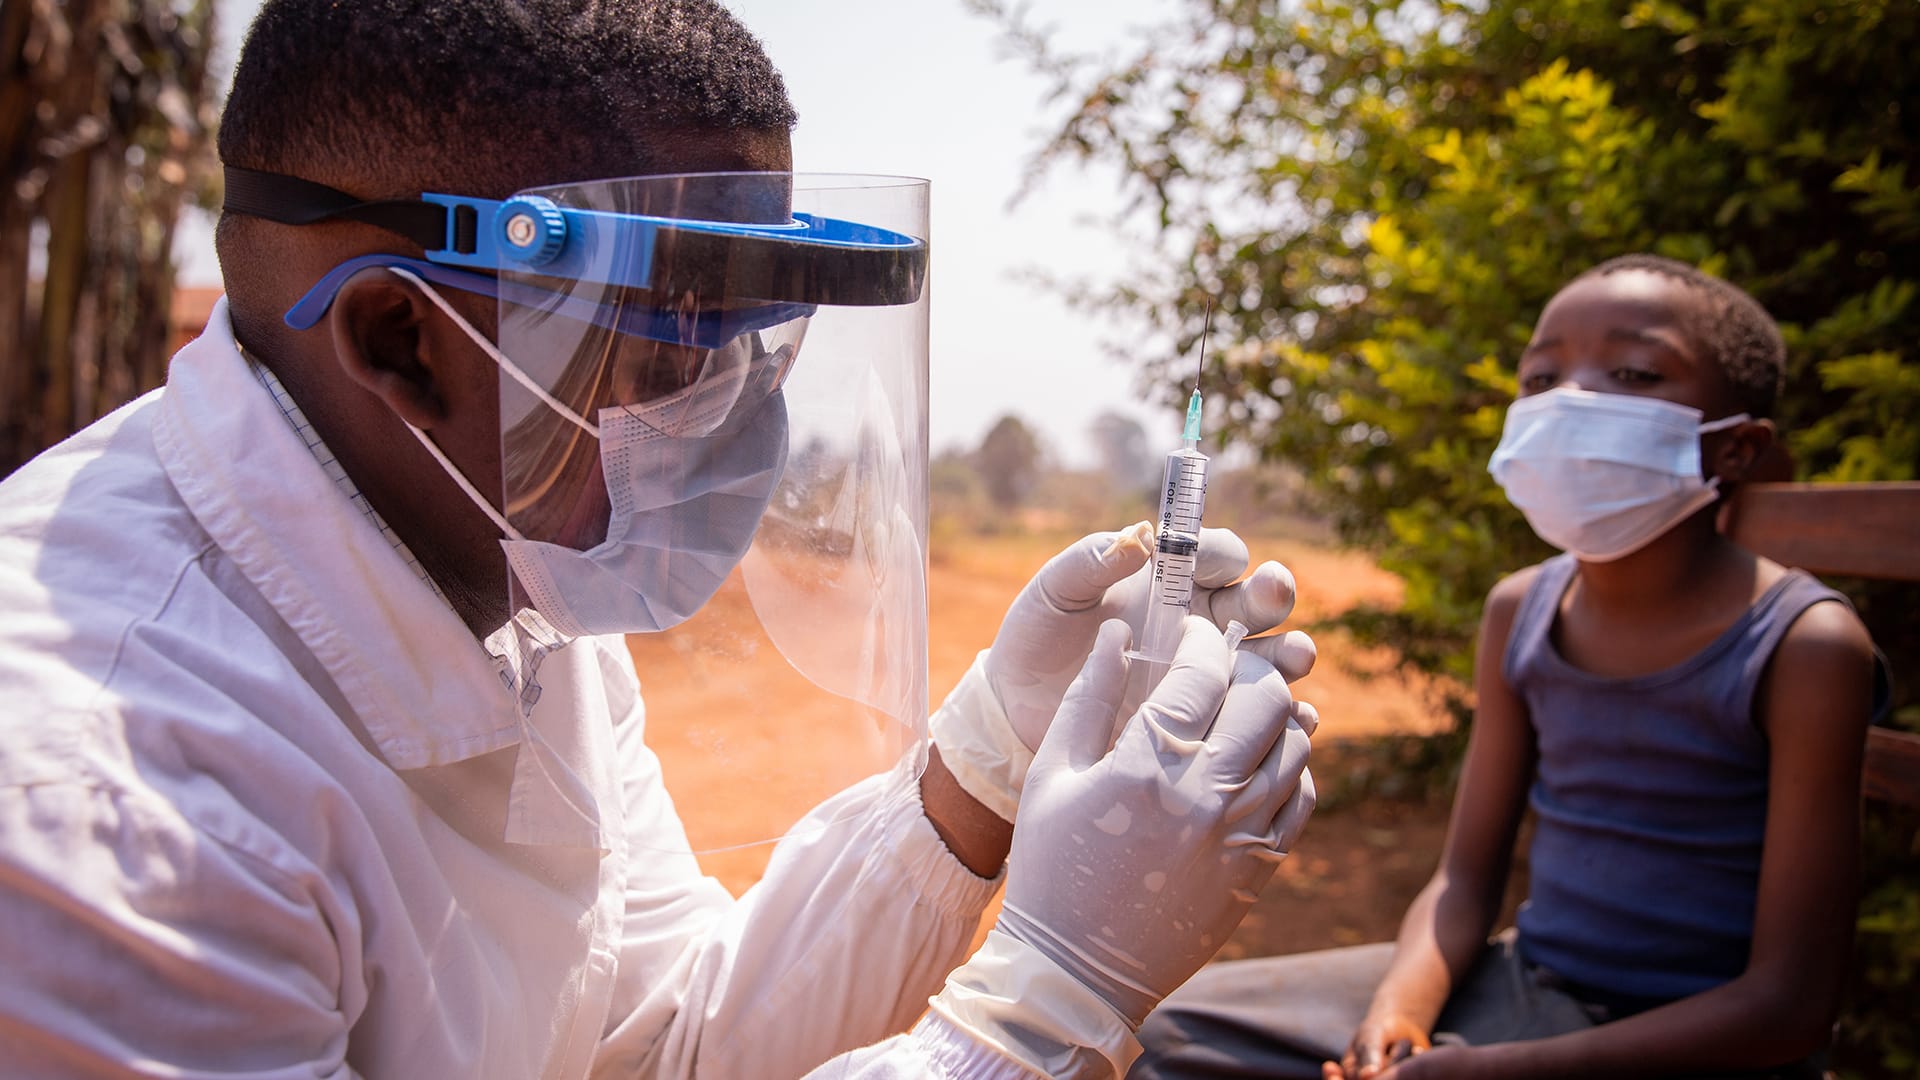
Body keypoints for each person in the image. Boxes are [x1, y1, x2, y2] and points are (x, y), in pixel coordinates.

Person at [0, 1, 1323, 1077]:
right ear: (404, 343)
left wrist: (985, 766)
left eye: (756, 346)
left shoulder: (508, 574)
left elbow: (664, 1042)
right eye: (670, 345)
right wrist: (1037, 1007)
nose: (736, 414)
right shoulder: (109, 806)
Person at [1130, 254, 1886, 1080]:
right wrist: (1398, 1015)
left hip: (1701, 1044)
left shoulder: (1805, 646)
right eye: (1541, 377)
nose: (1568, 400)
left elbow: (1789, 1005)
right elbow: (1462, 879)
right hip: (1524, 985)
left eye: (1632, 371)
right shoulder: (1520, 611)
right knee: (1163, 1037)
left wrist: (1485, 1071)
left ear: (1735, 448)